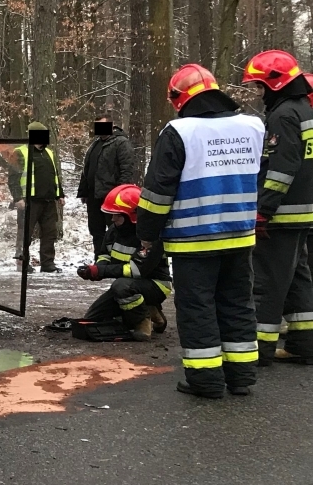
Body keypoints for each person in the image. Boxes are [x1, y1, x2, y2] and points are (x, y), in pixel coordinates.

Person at [136, 63, 264, 397]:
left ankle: (205, 381)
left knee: (198, 308)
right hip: (240, 236)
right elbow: (263, 177)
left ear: (179, 99)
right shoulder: (253, 126)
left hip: (194, 242)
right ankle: (242, 377)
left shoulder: (178, 132)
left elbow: (157, 192)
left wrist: (147, 232)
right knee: (238, 304)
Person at [242, 50, 313, 363]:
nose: (258, 92)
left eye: (260, 86)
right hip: (303, 209)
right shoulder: (304, 109)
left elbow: (281, 169)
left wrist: (263, 210)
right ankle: (304, 343)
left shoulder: (282, 115)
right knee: (298, 278)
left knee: (268, 281)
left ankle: (259, 348)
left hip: (283, 213)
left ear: (275, 84)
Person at [72, 184, 169, 342]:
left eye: (117, 215)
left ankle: (143, 322)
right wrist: (95, 270)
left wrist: (101, 272)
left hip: (156, 285)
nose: (113, 219)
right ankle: (150, 310)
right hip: (127, 285)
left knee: (121, 287)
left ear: (132, 216)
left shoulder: (150, 237)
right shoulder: (114, 231)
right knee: (92, 318)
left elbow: (136, 270)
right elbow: (105, 255)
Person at [75, 113, 139, 258]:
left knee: (115, 229)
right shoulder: (95, 144)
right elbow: (87, 169)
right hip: (93, 195)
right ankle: (99, 258)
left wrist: (120, 194)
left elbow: (126, 169)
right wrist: (84, 191)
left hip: (111, 196)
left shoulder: (121, 143)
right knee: (96, 230)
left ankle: (116, 258)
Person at [9, 121, 64, 272]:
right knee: (25, 234)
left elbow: (54, 175)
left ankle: (48, 264)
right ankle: (23, 263)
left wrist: (60, 194)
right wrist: (18, 198)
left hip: (48, 200)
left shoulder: (49, 153)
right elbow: (13, 178)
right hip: (29, 201)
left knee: (49, 234)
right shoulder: (20, 152)